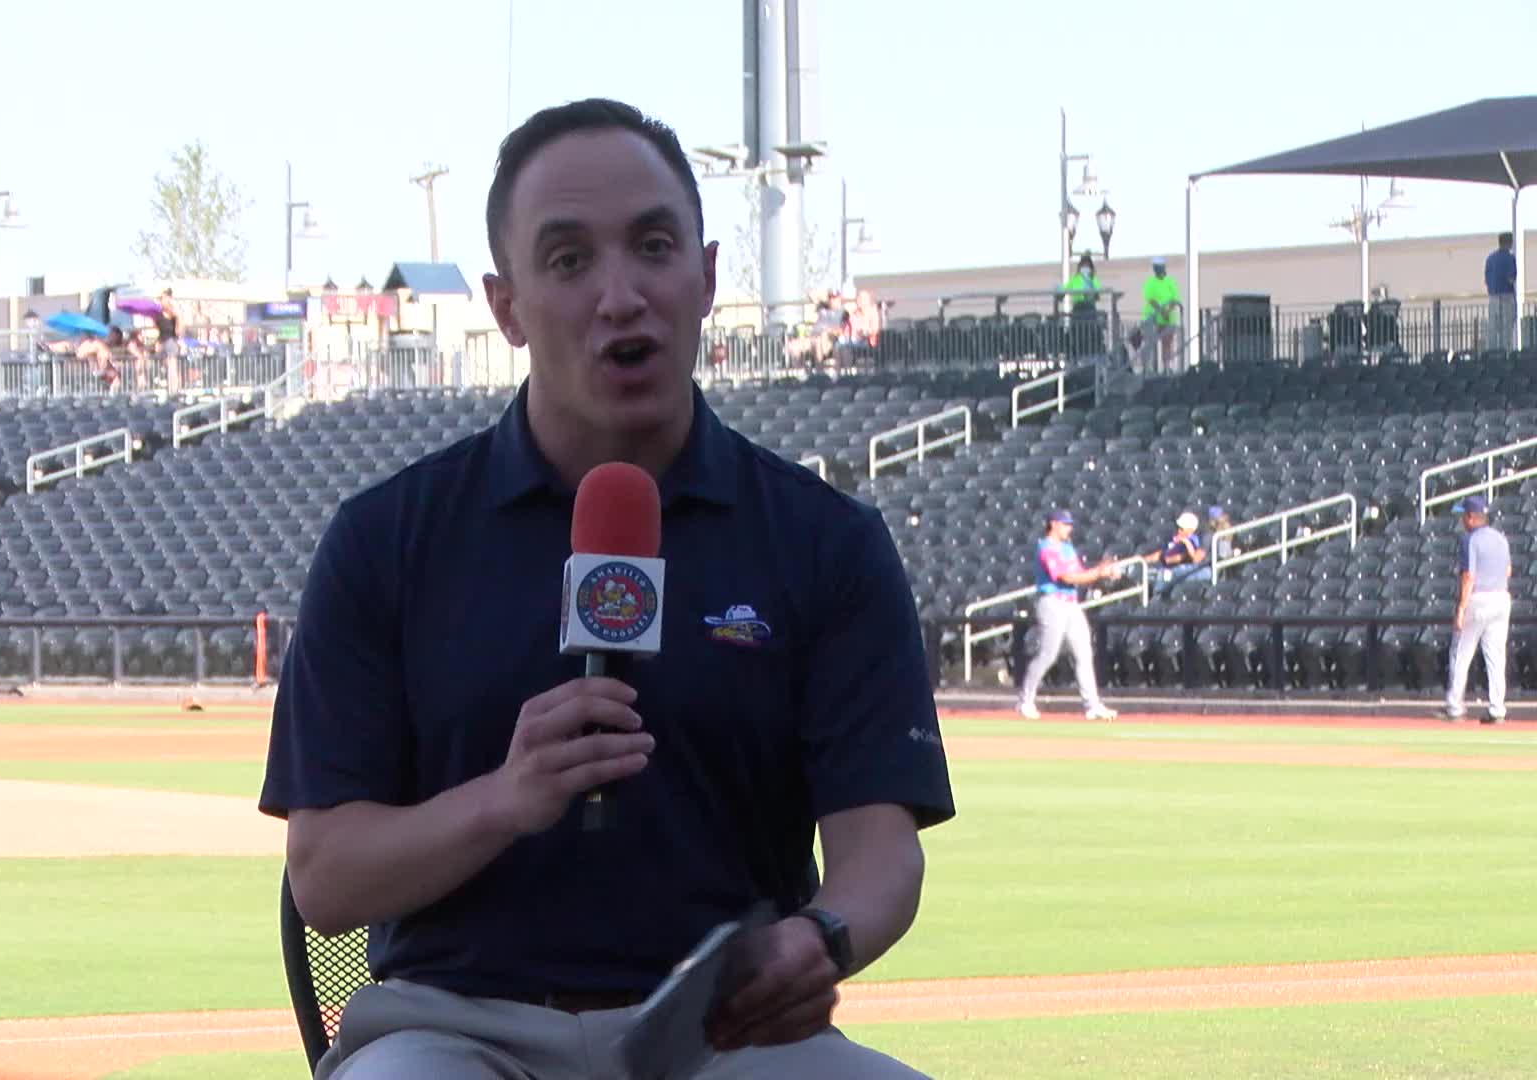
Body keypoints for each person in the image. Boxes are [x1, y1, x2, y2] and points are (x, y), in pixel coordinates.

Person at [260, 97, 955, 1080]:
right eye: (569, 259)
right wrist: (505, 799)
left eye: (654, 247)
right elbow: (326, 878)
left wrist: (822, 936)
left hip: (726, 1040)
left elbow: (882, 851)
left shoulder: (827, 541)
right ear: (506, 307)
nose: (621, 295)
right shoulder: (386, 539)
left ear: (706, 278)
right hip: (449, 1031)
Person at [1017, 510, 1121, 721]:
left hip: (1071, 603)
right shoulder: (1046, 548)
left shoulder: (1067, 548)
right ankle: (1025, 700)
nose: (1069, 528)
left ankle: (1092, 705)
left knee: (1084, 653)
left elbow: (1080, 574)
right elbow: (1066, 577)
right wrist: (1099, 572)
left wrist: (1103, 571)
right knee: (1048, 654)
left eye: (1069, 524)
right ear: (1053, 524)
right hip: (1051, 602)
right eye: (1065, 524)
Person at [1444, 495, 1512, 724]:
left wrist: (1461, 608)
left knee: (1461, 653)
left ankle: (1455, 707)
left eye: (1464, 515)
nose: (1462, 520)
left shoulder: (1470, 540)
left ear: (1472, 517)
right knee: (1496, 657)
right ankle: (1497, 709)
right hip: (1501, 597)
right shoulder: (1501, 538)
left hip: (1478, 598)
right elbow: (1508, 571)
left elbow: (1469, 576)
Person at [1142, 511, 1207, 594]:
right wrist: (1142, 561)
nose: (1178, 531)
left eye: (1182, 529)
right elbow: (1161, 554)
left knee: (1164, 576)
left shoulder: (1193, 540)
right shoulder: (1175, 540)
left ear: (1191, 530)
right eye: (1177, 527)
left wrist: (1185, 542)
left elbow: (1191, 558)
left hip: (1178, 571)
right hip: (1165, 568)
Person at [1140, 256, 1182, 372]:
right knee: (1149, 343)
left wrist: (1167, 311)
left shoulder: (1170, 282)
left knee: (1167, 344)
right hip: (1152, 318)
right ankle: (1147, 368)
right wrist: (1161, 311)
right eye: (1158, 268)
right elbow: (1151, 299)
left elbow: (1175, 299)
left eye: (1162, 267)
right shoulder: (1149, 282)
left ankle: (1167, 368)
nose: (1160, 270)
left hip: (1168, 319)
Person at [1485, 232, 1517, 351]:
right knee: (1507, 327)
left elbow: (1487, 278)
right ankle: (1506, 352)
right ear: (1509, 243)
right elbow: (1511, 279)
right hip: (1507, 296)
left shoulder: (1490, 258)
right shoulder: (1510, 258)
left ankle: (1493, 352)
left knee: (1493, 327)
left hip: (1493, 297)